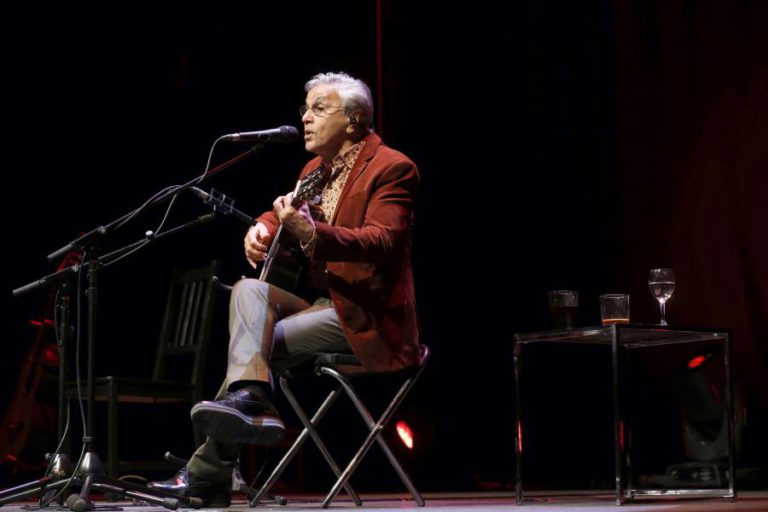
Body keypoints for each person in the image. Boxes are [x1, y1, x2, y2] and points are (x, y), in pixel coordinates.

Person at [148, 71, 421, 507]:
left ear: (353, 121)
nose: (306, 119)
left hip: (366, 316)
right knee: (249, 290)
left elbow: (381, 242)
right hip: (321, 307)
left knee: (255, 344)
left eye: (319, 109)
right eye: (305, 109)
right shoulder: (316, 169)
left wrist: (313, 236)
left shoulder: (392, 167)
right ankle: (251, 401)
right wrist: (262, 225)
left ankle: (208, 473)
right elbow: (286, 211)